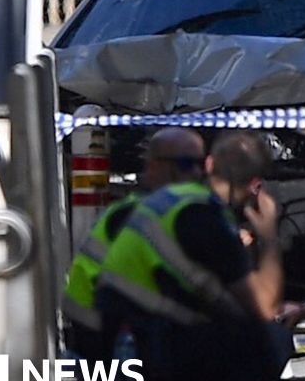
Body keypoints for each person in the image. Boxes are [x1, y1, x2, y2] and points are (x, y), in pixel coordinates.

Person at [96, 131, 289, 381]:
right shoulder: (202, 217)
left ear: (209, 164)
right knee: (268, 343)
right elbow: (264, 307)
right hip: (129, 351)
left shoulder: (177, 203)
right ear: (256, 185)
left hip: (110, 337)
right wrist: (269, 237)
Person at [62, 128, 206, 363]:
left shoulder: (153, 208)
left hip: (103, 324)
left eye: (199, 164)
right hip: (106, 334)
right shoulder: (140, 214)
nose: (197, 173)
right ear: (155, 167)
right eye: (186, 164)